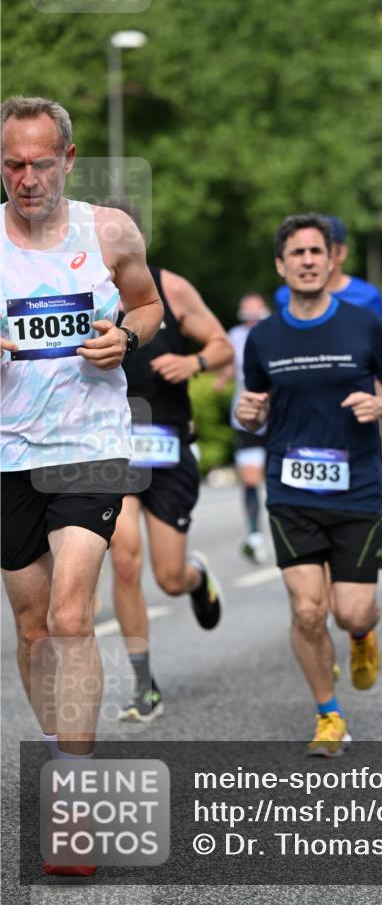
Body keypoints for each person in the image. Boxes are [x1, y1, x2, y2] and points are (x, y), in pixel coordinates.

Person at [0, 96, 163, 877]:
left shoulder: (109, 232)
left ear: (68, 158)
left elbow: (147, 302)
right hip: (7, 453)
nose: (25, 178)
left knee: (70, 614)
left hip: (90, 444)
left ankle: (72, 797)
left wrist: (124, 338)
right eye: (11, 164)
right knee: (32, 631)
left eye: (38, 162)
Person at [236, 213, 382, 756]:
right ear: (280, 266)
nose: (308, 260)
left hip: (357, 487)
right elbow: (253, 408)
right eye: (297, 253)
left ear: (332, 259)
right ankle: (329, 714)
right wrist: (246, 414)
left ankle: (361, 636)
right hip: (291, 490)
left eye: (317, 251)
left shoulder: (362, 325)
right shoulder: (262, 337)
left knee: (350, 611)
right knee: (308, 609)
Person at [110, 256, 232, 723]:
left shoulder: (171, 288)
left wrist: (193, 361)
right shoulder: (81, 289)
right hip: (114, 449)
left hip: (168, 447)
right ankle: (143, 685)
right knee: (124, 559)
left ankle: (195, 578)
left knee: (168, 577)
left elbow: (223, 344)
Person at [214, 293, 270, 564]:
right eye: (247, 315)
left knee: (281, 479)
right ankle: (255, 536)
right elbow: (228, 364)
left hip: (280, 418)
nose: (251, 321)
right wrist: (223, 377)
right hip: (246, 417)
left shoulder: (278, 332)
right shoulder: (234, 335)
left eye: (256, 316)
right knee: (250, 480)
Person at [274, 215, 382, 323]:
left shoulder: (367, 297)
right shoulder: (284, 296)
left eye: (317, 250)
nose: (309, 260)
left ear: (342, 253)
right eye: (299, 252)